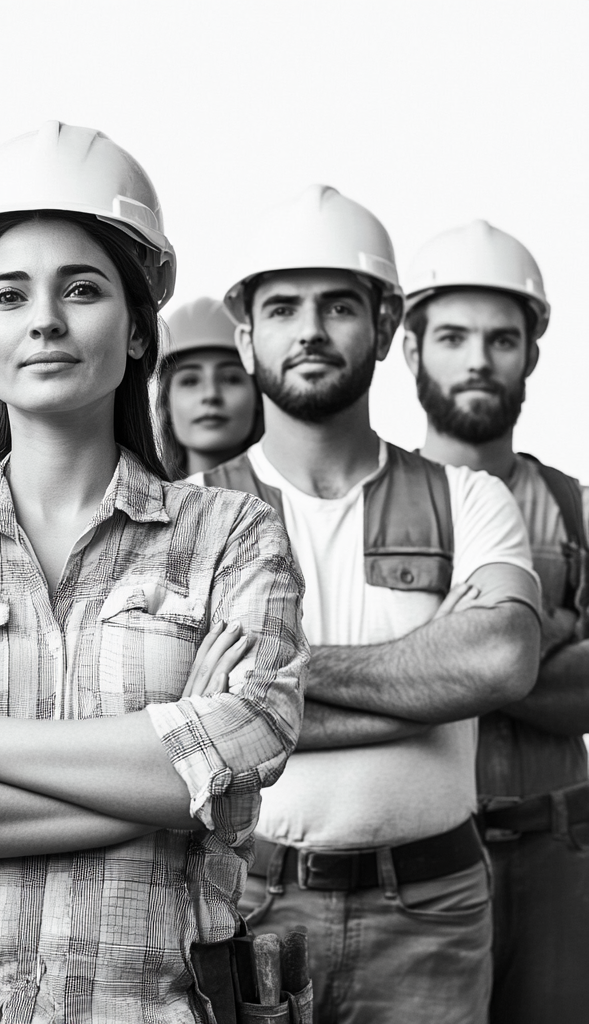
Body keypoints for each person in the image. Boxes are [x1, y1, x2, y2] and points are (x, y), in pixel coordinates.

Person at [0, 121, 308, 1024]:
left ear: (139, 331)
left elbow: (249, 745)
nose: (45, 318)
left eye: (81, 289)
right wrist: (164, 781)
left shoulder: (232, 534)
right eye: (9, 295)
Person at [200, 185, 542, 1024]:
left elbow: (501, 660)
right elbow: (179, 716)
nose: (311, 330)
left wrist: (275, 680)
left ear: (386, 330)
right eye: (283, 308)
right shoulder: (190, 512)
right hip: (244, 903)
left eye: (339, 306)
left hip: (433, 909)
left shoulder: (469, 498)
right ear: (247, 335)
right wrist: (427, 688)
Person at [402, 220, 589, 1023]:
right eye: (452, 337)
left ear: (532, 355)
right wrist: (533, 648)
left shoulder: (576, 508)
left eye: (501, 339)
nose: (478, 359)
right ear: (409, 349)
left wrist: (438, 656)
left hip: (562, 858)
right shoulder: (362, 508)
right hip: (420, 868)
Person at [156, 296, 262, 478]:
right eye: (190, 381)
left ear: (259, 397)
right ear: (166, 401)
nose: (211, 395)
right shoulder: (138, 503)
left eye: (231, 379)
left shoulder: (296, 503)